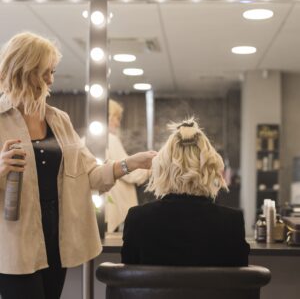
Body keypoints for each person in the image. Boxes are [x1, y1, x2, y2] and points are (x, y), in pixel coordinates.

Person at [0, 32, 156, 299]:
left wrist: (130, 163)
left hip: (55, 239)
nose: (51, 80)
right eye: (44, 72)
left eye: (53, 71)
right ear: (23, 71)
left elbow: (90, 175)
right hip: (14, 245)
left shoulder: (58, 120)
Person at [121, 119, 250, 267]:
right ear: (209, 167)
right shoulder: (232, 222)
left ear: (163, 167)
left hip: (154, 292)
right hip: (210, 291)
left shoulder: (138, 219)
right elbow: (239, 283)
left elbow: (128, 279)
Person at [105, 99, 150, 233]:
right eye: (116, 118)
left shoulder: (87, 139)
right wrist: (149, 168)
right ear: (108, 116)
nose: (118, 124)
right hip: (115, 205)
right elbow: (129, 173)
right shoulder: (110, 140)